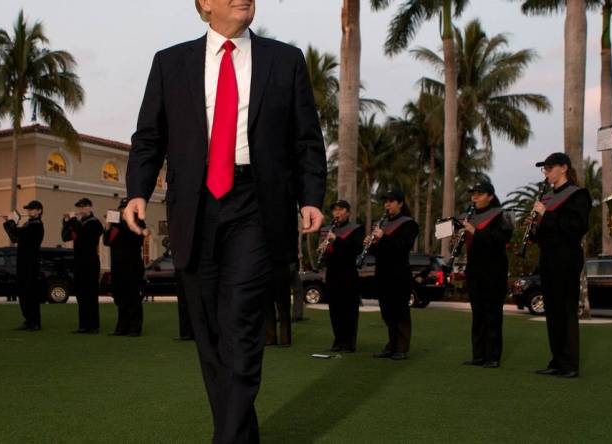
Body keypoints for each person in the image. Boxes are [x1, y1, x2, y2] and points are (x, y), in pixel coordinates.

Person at [123, 0, 326, 441]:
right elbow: (149, 136)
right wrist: (136, 191)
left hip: (257, 203)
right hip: (194, 208)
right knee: (210, 332)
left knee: (241, 322)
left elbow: (307, 139)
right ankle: (240, 434)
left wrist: (311, 197)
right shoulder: (170, 63)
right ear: (205, 3)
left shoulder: (285, 60)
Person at [530, 153, 591, 378]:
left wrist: (547, 215)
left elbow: (576, 227)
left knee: (566, 310)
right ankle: (556, 360)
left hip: (567, 258)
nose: (546, 172)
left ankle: (569, 364)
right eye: (544, 169)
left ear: (564, 168)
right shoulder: (546, 198)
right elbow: (545, 234)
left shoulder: (578, 195)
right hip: (548, 259)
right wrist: (534, 229)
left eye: (549, 168)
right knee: (553, 311)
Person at [460, 182, 513, 369]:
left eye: (479, 194)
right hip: (474, 271)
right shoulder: (469, 216)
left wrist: (475, 231)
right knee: (477, 314)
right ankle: (478, 355)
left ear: (490, 196)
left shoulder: (503, 214)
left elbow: (502, 238)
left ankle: (493, 357)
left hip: (494, 271)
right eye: (473, 193)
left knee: (493, 314)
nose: (474, 197)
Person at [367, 190, 419, 361]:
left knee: (400, 311)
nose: (387, 205)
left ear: (401, 203)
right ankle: (391, 345)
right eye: (386, 202)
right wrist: (371, 244)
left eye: (391, 201)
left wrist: (383, 238)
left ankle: (401, 348)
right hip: (383, 274)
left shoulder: (409, 224)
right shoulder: (382, 224)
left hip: (399, 274)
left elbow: (402, 247)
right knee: (387, 312)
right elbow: (378, 252)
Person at [319, 200, 364, 353]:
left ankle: (349, 343)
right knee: (335, 310)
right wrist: (322, 250)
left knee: (349, 309)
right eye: (335, 210)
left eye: (340, 210)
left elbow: (355, 250)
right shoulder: (327, 230)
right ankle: (338, 340)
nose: (337, 213)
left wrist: (336, 240)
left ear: (348, 212)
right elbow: (325, 256)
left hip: (348, 274)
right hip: (332, 274)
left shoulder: (356, 229)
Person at [103, 198, 146, 337]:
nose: (123, 211)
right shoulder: (117, 225)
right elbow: (107, 241)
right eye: (121, 209)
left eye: (125, 208)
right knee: (121, 298)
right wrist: (108, 226)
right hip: (118, 266)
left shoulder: (138, 222)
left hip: (133, 266)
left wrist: (119, 223)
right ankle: (121, 327)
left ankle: (135, 328)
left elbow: (134, 237)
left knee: (133, 298)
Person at [62, 197, 104, 334]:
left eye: (84, 206)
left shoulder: (95, 223)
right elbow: (66, 237)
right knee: (80, 294)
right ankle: (83, 325)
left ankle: (93, 325)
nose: (81, 209)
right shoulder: (79, 223)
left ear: (90, 207)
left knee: (90, 294)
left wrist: (73, 221)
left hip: (90, 262)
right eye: (79, 207)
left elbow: (84, 235)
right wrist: (66, 222)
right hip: (79, 262)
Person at [2, 200, 45, 331]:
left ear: (39, 211)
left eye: (32, 209)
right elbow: (15, 237)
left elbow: (18, 232)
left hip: (31, 263)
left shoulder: (36, 225)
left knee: (31, 292)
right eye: (28, 209)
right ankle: (28, 319)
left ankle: (35, 322)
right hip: (23, 262)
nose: (29, 211)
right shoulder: (29, 224)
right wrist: (8, 223)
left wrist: (11, 222)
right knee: (23, 292)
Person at [265, 262, 293, 347]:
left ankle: (280, 338)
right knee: (269, 307)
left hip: (279, 270)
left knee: (281, 307)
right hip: (271, 271)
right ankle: (280, 338)